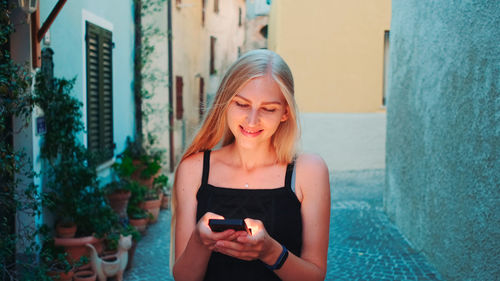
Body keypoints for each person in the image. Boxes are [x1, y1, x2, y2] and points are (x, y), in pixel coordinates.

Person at [171, 49, 330, 281]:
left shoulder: (309, 171)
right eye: (242, 104)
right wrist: (199, 241)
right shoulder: (193, 169)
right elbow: (184, 278)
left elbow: (315, 276)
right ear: (225, 102)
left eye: (268, 108)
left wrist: (271, 252)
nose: (252, 120)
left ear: (285, 113)